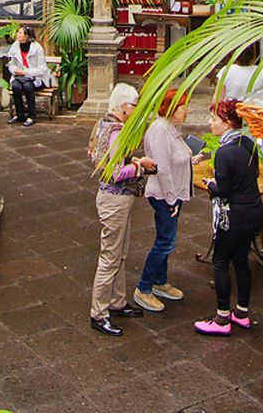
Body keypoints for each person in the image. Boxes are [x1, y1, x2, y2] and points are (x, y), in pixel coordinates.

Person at [88, 83, 157, 337]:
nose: (136, 109)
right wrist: (141, 168)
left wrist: (135, 161)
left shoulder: (102, 125)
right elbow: (115, 172)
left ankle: (117, 302)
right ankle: (99, 312)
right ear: (122, 106)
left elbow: (98, 156)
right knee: (110, 257)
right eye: (134, 104)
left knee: (120, 252)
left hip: (114, 198)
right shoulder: (116, 131)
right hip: (114, 199)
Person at [195, 98, 263, 337]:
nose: (210, 123)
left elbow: (222, 189)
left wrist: (211, 185)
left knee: (221, 262)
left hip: (232, 215)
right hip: (253, 210)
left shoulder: (225, 152)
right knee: (241, 260)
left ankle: (222, 317)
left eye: (214, 119)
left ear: (226, 123)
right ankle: (242, 312)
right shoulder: (247, 142)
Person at [133, 89, 193, 313]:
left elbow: (178, 155)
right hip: (164, 194)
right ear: (171, 108)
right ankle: (144, 288)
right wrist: (171, 200)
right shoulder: (160, 131)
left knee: (165, 238)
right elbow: (163, 169)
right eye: (181, 107)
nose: (185, 111)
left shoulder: (171, 128)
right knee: (165, 241)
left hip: (173, 192)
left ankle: (160, 281)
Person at [6, 26, 51, 126]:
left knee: (27, 86)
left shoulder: (37, 48)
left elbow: (42, 69)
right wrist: (15, 70)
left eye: (20, 33)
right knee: (16, 86)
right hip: (19, 77)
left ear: (26, 36)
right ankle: (19, 115)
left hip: (37, 78)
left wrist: (26, 72)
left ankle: (32, 116)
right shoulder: (15, 46)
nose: (17, 34)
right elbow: (11, 64)